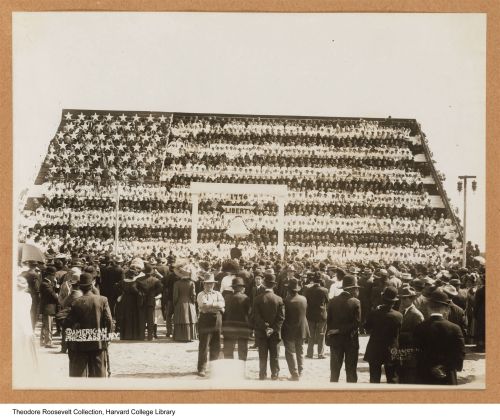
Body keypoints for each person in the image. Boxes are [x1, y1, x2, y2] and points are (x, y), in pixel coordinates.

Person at [65, 273, 113, 377]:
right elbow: (109, 320)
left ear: (80, 287)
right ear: (92, 286)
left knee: (80, 373)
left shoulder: (76, 302)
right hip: (98, 340)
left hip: (80, 341)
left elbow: (69, 322)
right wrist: (107, 336)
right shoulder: (103, 300)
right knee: (98, 372)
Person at [413, 289, 465, 385]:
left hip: (424, 375)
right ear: (445, 309)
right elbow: (459, 355)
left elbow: (416, 353)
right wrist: (443, 367)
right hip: (447, 376)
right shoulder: (455, 328)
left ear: (429, 307)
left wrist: (430, 367)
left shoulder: (419, 327)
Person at [326, 274, 361, 383]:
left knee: (334, 371)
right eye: (356, 289)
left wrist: (335, 332)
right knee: (351, 371)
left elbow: (329, 321)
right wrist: (341, 330)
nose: (357, 291)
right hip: (351, 341)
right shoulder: (356, 302)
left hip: (336, 341)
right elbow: (357, 323)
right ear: (352, 289)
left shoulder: (333, 301)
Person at [364, 286, 402, 383]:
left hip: (375, 348)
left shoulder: (374, 313)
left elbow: (366, 327)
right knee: (392, 377)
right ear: (394, 301)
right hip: (391, 349)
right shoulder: (398, 316)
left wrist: (376, 310)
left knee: (374, 377)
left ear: (382, 299)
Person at [253, 272, 285, 380]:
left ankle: (262, 374)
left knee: (262, 355)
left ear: (264, 283)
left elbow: (256, 317)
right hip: (275, 332)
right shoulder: (279, 299)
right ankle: (274, 374)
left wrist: (265, 327)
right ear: (274, 285)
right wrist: (273, 328)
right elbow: (281, 318)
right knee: (274, 354)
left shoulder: (257, 299)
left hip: (261, 331)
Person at [197, 273, 225, 377]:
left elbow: (223, 305)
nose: (210, 286)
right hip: (205, 321)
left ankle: (214, 367)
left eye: (211, 284)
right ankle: (202, 368)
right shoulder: (201, 294)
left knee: (216, 345)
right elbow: (203, 307)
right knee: (204, 346)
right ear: (204, 284)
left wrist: (211, 305)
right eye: (208, 284)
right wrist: (216, 305)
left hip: (217, 321)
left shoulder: (218, 293)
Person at [282, 278, 309, 380]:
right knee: (300, 351)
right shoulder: (303, 299)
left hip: (289, 330)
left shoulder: (286, 301)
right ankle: (300, 371)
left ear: (288, 290)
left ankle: (294, 374)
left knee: (290, 352)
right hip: (302, 329)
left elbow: (284, 316)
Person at [397, 285, 424, 384]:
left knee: (409, 377)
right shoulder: (403, 311)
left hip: (411, 352)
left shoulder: (416, 315)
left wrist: (399, 335)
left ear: (412, 299)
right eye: (401, 298)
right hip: (403, 350)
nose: (402, 300)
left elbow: (418, 336)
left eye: (405, 298)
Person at [222, 277, 251, 361]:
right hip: (242, 327)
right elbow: (249, 313)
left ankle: (230, 368)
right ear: (241, 288)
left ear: (233, 287)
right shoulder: (245, 298)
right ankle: (241, 366)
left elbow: (224, 313)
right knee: (242, 349)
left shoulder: (226, 297)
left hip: (229, 327)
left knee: (228, 349)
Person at [304, 271, 329, 359]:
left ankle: (310, 353)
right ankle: (320, 354)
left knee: (311, 335)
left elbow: (306, 302)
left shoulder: (308, 290)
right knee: (321, 335)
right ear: (320, 280)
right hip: (321, 315)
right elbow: (327, 302)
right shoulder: (324, 290)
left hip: (310, 315)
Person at [136, 264, 163, 340]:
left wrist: (140, 293)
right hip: (151, 301)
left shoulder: (139, 280)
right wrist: (154, 293)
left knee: (142, 319)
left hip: (141, 301)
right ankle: (150, 336)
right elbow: (161, 288)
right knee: (150, 319)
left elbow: (135, 289)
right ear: (151, 271)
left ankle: (141, 336)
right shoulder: (155, 280)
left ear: (144, 271)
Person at [172, 262, 198, 342]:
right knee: (190, 319)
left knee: (180, 319)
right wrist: (193, 303)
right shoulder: (191, 283)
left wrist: (175, 303)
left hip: (180, 302)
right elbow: (193, 295)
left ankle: (180, 336)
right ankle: (190, 336)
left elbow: (175, 296)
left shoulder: (177, 283)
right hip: (189, 303)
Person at [116, 270, 142, 340]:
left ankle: (124, 335)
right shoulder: (135, 282)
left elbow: (117, 287)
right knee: (133, 317)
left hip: (124, 300)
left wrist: (121, 293)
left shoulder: (122, 282)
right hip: (133, 301)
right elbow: (137, 292)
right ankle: (133, 335)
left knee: (125, 316)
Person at [39, 266, 59, 348]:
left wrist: (56, 286)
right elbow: (54, 296)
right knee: (48, 326)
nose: (54, 277)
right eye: (53, 275)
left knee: (45, 325)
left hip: (48, 307)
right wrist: (56, 291)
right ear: (49, 275)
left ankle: (43, 340)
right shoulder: (45, 284)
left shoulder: (48, 283)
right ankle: (48, 342)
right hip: (48, 307)